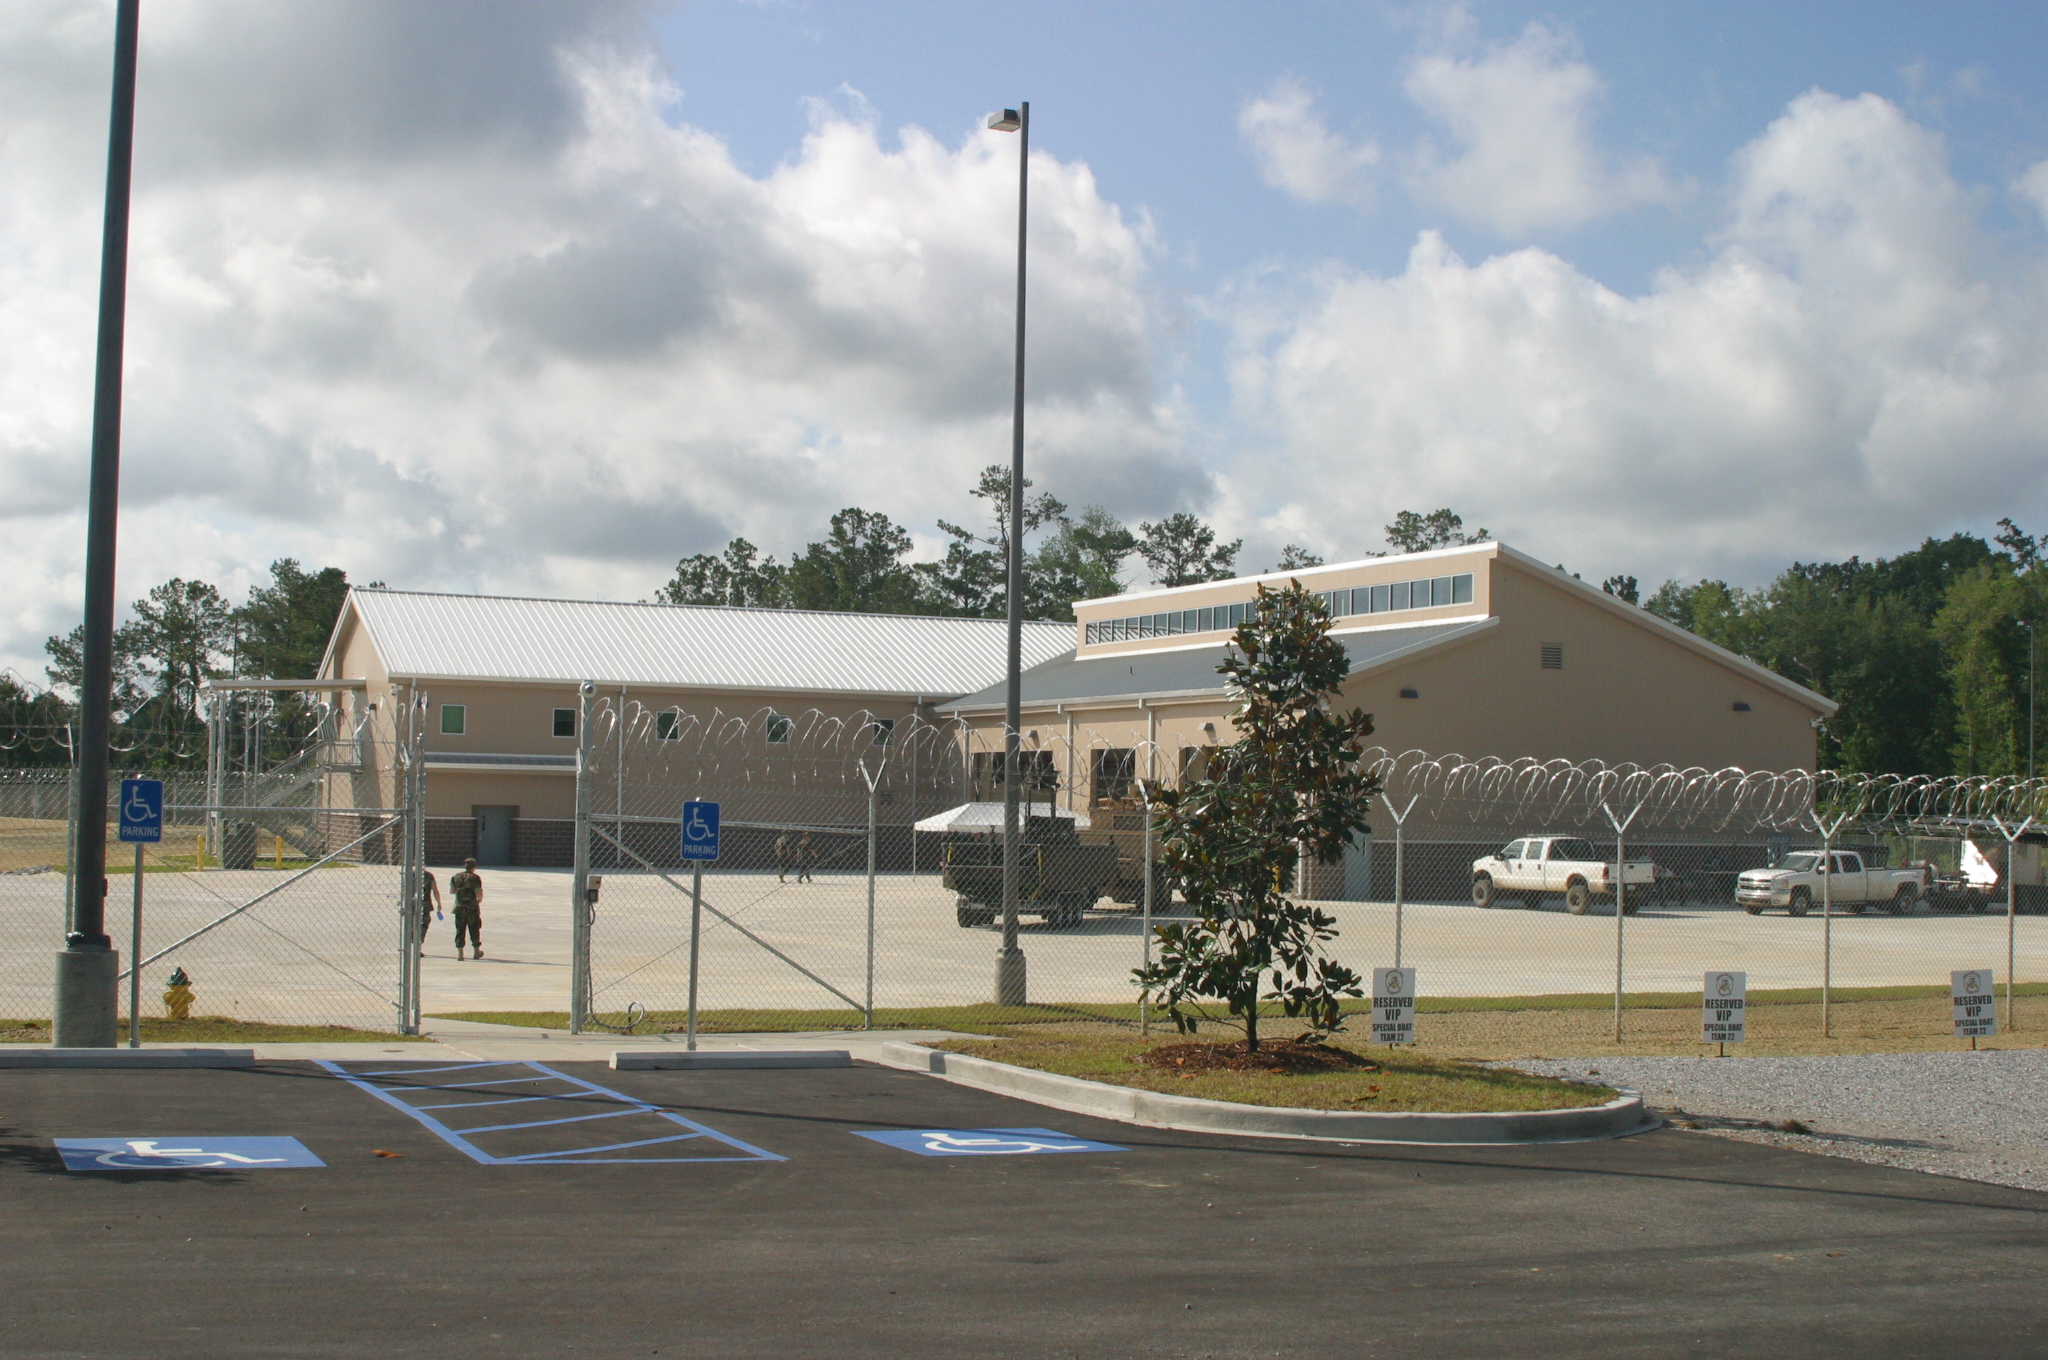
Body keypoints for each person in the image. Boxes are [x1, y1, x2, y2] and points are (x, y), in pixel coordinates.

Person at [450, 857, 484, 960]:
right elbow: (478, 892)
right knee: (474, 928)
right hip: (472, 908)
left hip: (459, 907)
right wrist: (479, 900)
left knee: (460, 929)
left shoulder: (456, 877)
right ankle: (476, 952)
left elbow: (452, 891)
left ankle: (460, 953)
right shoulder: (475, 878)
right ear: (474, 867)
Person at [418, 869, 443, 956]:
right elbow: (435, 890)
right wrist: (439, 903)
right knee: (423, 925)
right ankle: (418, 946)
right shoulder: (428, 876)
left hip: (412, 904)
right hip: (425, 905)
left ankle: (412, 946)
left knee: (412, 924)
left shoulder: (410, 875)